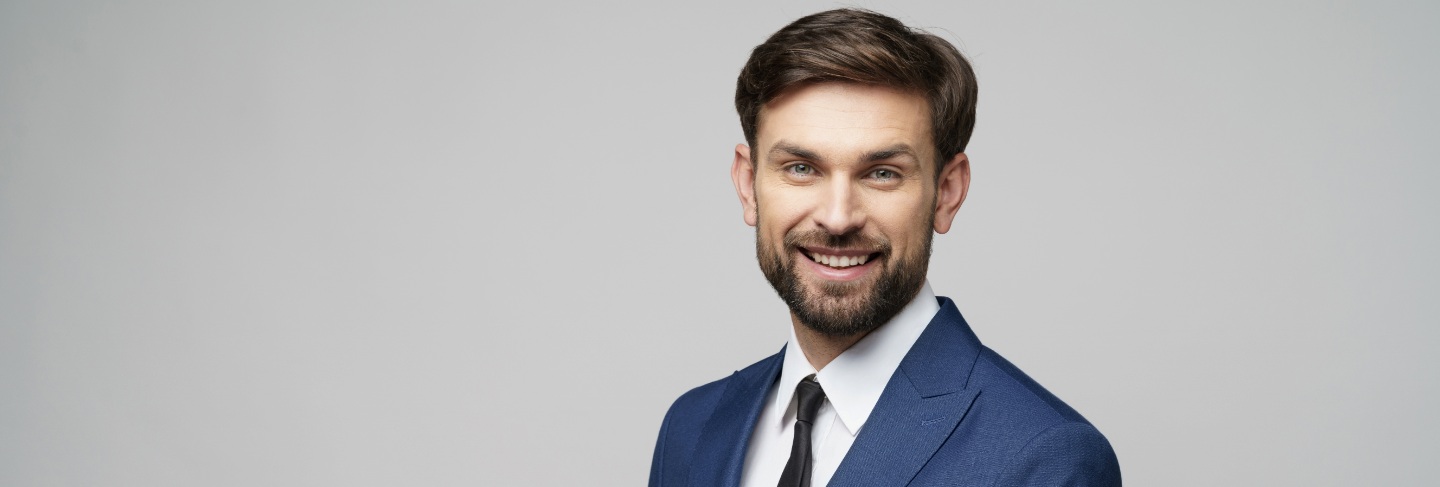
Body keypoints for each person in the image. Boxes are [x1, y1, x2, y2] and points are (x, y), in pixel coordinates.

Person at [650, 8, 1121, 487]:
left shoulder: (1044, 458)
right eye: (800, 168)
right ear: (749, 185)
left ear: (948, 193)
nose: (837, 217)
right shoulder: (691, 429)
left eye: (882, 173)